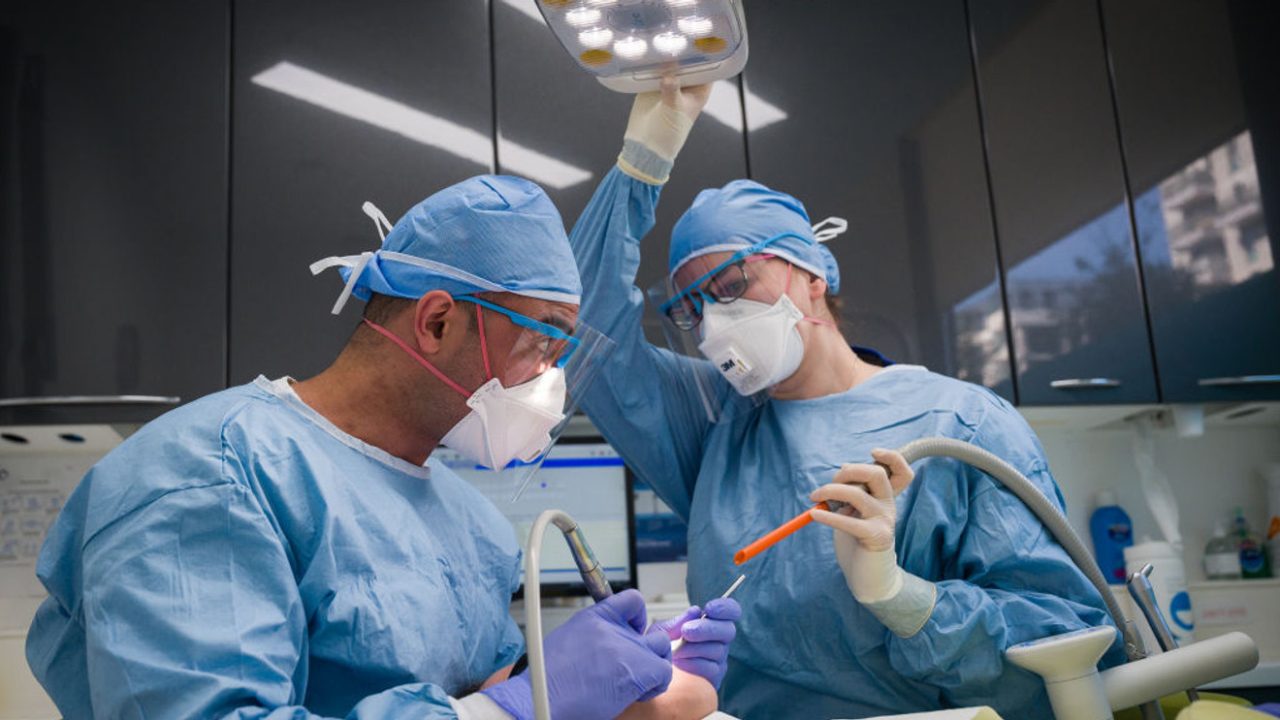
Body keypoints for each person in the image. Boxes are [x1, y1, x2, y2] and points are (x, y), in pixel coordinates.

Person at [25, 174, 739, 719]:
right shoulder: (208, 475)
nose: (550, 381)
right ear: (436, 323)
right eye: (540, 343)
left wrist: (599, 681)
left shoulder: (470, 520)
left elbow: (477, 688)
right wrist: (507, 710)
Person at [567, 81, 1125, 718]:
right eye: (694, 308)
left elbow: (1070, 648)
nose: (716, 323)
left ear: (810, 273)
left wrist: (902, 599)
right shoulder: (715, 422)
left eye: (731, 285)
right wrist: (643, 159)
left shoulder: (959, 423)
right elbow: (580, 327)